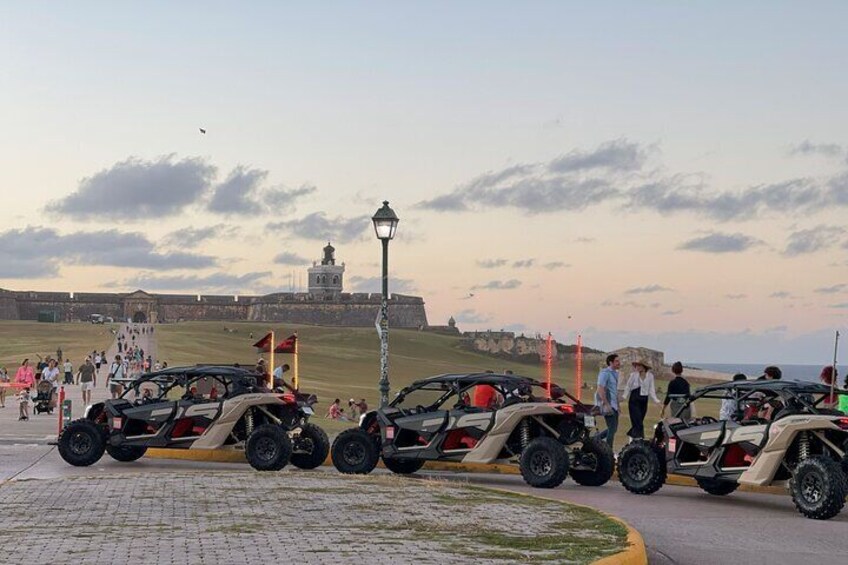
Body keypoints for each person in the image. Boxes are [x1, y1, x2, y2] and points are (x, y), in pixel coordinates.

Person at [622, 360, 660, 440]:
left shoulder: (650, 376)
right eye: (636, 366)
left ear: (644, 367)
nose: (637, 367)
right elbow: (628, 386)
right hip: (634, 400)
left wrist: (656, 401)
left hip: (644, 401)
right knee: (638, 422)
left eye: (639, 365)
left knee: (638, 422)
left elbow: (651, 390)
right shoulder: (633, 375)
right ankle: (640, 439)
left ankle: (632, 440)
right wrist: (624, 397)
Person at [595, 353, 621, 449]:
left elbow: (615, 391)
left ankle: (596, 439)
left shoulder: (616, 373)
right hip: (608, 404)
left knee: (613, 429)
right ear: (611, 362)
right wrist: (607, 404)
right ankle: (609, 450)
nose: (619, 363)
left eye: (619, 361)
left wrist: (618, 406)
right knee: (612, 429)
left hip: (614, 405)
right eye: (617, 361)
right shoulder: (605, 373)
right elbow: (600, 389)